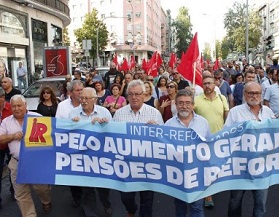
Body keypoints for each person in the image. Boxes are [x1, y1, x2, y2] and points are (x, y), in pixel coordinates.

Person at [225, 81, 279, 217]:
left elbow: (274, 135)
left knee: (260, 204)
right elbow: (226, 135)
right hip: (240, 167)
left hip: (262, 167)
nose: (254, 95)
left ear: (261, 94)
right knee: (235, 201)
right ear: (244, 94)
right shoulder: (235, 112)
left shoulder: (269, 112)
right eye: (250, 93)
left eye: (257, 93)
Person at [113, 79, 163, 217]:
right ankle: (131, 209)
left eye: (137, 94)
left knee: (147, 199)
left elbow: (164, 140)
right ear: (127, 96)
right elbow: (111, 138)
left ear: (144, 94)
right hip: (126, 164)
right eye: (131, 94)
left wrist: (157, 129)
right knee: (125, 197)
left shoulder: (155, 114)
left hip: (148, 165)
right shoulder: (119, 114)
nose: (134, 97)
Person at [0, 95, 51, 216]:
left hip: (36, 162)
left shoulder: (37, 117)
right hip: (16, 162)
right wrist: (13, 136)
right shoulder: (6, 122)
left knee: (42, 188)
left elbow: (50, 137)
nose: (16, 109)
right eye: (14, 106)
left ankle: (46, 200)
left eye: (19, 105)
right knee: (21, 195)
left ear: (25, 105)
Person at [165, 89, 211, 217]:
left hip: (197, 173)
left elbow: (209, 146)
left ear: (193, 105)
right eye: (180, 103)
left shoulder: (203, 122)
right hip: (177, 174)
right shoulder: (168, 124)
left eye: (187, 103)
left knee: (197, 207)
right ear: (175, 104)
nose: (184, 106)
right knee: (180, 206)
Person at [69, 87, 113, 216]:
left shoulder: (104, 112)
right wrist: (73, 125)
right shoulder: (73, 114)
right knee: (87, 189)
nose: (83, 101)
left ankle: (106, 202)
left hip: (101, 158)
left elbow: (114, 134)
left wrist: (105, 125)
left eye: (86, 98)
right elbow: (67, 136)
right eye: (81, 98)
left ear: (94, 99)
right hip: (83, 158)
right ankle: (90, 213)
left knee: (103, 187)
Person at [194, 75, 229, 208]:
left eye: (209, 83)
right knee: (205, 167)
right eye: (204, 84)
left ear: (215, 84)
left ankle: (213, 188)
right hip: (202, 140)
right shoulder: (196, 99)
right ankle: (208, 195)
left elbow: (227, 117)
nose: (207, 86)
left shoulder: (222, 98)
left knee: (216, 166)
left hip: (218, 139)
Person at [55, 80, 84, 207]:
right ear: (70, 92)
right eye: (78, 90)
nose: (81, 93)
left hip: (86, 146)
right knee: (73, 175)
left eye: (81, 89)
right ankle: (76, 197)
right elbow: (58, 124)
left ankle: (88, 198)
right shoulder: (62, 106)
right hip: (70, 146)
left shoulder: (88, 102)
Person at [0, 87, 13, 209]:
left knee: (13, 168)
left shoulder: (11, 108)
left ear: (2, 98)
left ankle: (14, 190)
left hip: (10, 144)